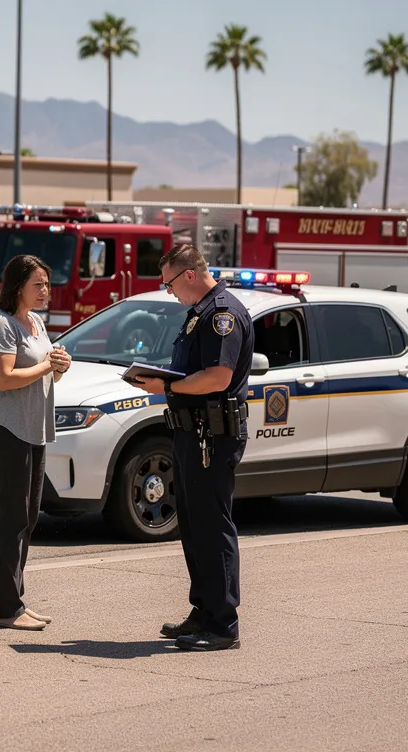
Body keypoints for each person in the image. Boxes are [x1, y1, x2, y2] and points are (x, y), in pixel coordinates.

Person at [131, 243, 254, 651]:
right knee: (195, 527)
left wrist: (166, 385)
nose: (169, 292)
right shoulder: (199, 313)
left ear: (187, 275)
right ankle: (203, 612)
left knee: (212, 528)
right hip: (193, 433)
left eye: (169, 284)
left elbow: (218, 377)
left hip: (212, 436)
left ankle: (223, 625)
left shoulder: (221, 314)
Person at [0, 254, 70, 631]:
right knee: (13, 517)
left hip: (33, 428)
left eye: (47, 283)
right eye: (38, 284)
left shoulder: (36, 322)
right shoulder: (0, 326)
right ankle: (8, 609)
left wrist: (58, 367)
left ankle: (18, 602)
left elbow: (43, 377)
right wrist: (48, 365)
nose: (46, 290)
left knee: (28, 517)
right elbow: (6, 379)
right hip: (4, 428)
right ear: (17, 287)